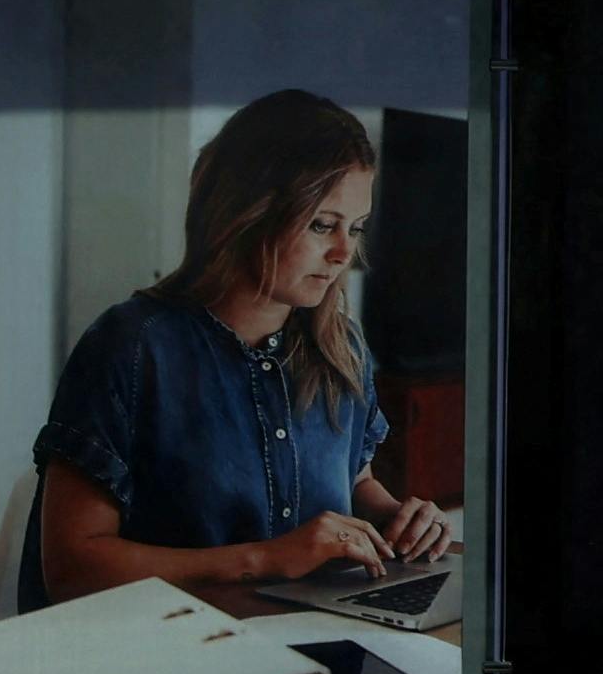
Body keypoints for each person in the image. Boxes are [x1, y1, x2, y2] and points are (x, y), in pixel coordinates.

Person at [31, 87, 464, 606]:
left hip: (316, 624)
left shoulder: (343, 346)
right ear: (248, 212)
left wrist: (396, 517)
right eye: (322, 225)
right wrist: (265, 558)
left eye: (356, 228)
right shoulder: (130, 346)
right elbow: (70, 569)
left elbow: (353, 480)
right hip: (177, 638)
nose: (343, 253)